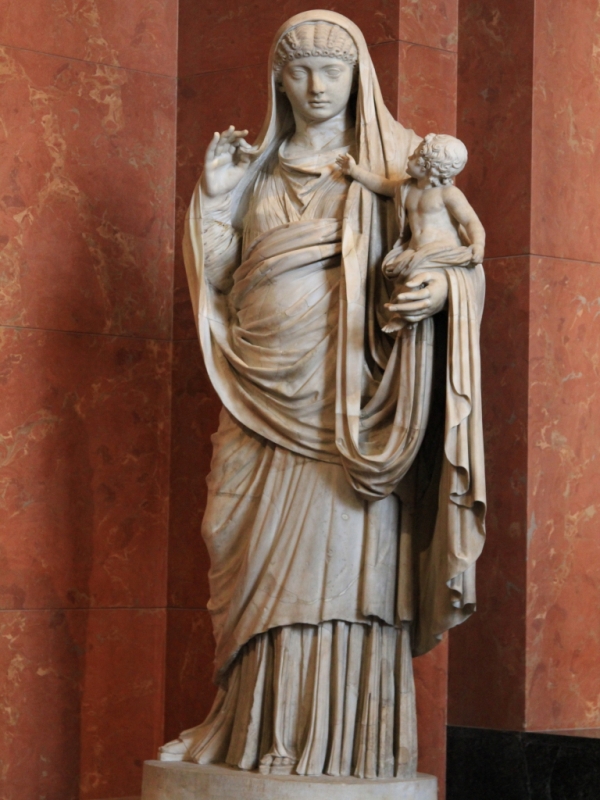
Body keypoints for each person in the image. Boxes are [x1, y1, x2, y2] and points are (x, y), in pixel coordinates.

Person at [159, 10, 486, 780]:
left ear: (357, 75)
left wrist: (442, 290)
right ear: (278, 80)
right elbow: (218, 278)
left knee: (344, 565)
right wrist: (214, 199)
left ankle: (347, 744)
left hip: (357, 406)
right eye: (299, 71)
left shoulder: (399, 162)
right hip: (256, 392)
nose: (315, 86)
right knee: (230, 534)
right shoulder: (258, 170)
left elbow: (461, 260)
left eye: (331, 70)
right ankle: (242, 730)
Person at [337, 134, 485, 333]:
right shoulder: (406, 188)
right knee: (399, 275)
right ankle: (403, 312)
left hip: (440, 251)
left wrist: (478, 244)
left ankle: (402, 317)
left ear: (430, 167)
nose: (409, 158)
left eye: (415, 157)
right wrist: (354, 171)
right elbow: (381, 184)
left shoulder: (448, 194)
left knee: (416, 279)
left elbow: (471, 222)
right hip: (414, 250)